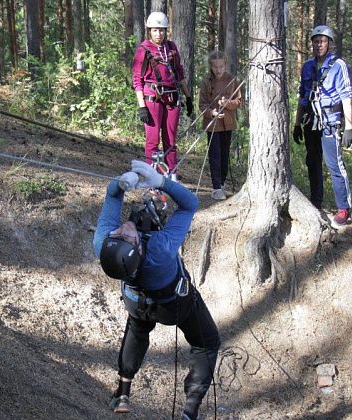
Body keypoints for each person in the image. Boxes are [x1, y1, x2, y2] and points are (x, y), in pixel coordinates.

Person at [93, 160, 220, 420]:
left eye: (118, 233)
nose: (124, 228)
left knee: (137, 329)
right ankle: (190, 410)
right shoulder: (159, 249)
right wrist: (162, 183)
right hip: (174, 306)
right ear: (139, 250)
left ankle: (122, 392)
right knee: (207, 343)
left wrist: (120, 184)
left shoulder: (103, 245)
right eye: (128, 237)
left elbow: (111, 196)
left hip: (137, 301)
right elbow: (190, 204)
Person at [292, 25, 352, 226]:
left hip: (330, 122)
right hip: (311, 122)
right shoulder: (308, 66)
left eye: (323, 41)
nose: (319, 45)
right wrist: (296, 123)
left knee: (334, 165)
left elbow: (347, 98)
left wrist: (349, 127)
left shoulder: (338, 66)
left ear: (329, 43)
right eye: (316, 41)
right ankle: (316, 202)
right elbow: (303, 96)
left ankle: (344, 209)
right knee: (313, 162)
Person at [131, 12, 193, 181]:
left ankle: (172, 174)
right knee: (152, 140)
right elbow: (137, 80)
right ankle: (153, 176)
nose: (159, 34)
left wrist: (188, 98)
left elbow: (179, 74)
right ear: (149, 31)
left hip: (172, 98)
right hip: (152, 98)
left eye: (162, 30)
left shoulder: (171, 48)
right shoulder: (143, 50)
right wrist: (141, 106)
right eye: (155, 30)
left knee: (170, 140)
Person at [199, 51, 242, 201]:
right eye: (215, 67)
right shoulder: (206, 81)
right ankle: (216, 187)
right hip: (212, 124)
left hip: (228, 123)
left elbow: (238, 101)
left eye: (221, 66)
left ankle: (222, 183)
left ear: (225, 65)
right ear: (210, 67)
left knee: (224, 154)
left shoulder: (231, 80)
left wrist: (227, 104)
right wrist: (212, 112)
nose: (218, 70)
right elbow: (202, 104)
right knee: (215, 155)